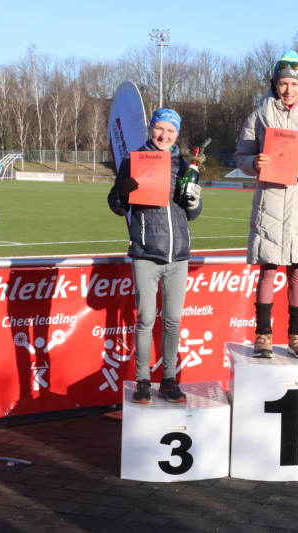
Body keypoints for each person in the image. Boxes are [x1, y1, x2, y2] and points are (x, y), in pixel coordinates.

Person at [234, 50, 298, 359]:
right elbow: (241, 156)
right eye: (282, 83)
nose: (288, 90)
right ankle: (262, 336)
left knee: (297, 273)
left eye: (293, 83)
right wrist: (255, 161)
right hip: (271, 202)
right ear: (274, 84)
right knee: (267, 270)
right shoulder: (259, 115)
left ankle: (297, 336)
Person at [107, 108, 203, 404]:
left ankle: (169, 380)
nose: (164, 136)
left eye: (170, 131)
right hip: (146, 253)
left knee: (173, 320)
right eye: (160, 129)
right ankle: (143, 381)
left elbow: (194, 213)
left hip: (179, 256)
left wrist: (193, 198)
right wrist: (122, 192)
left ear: (177, 135)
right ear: (151, 129)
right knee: (146, 318)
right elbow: (117, 205)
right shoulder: (134, 160)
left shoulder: (186, 164)